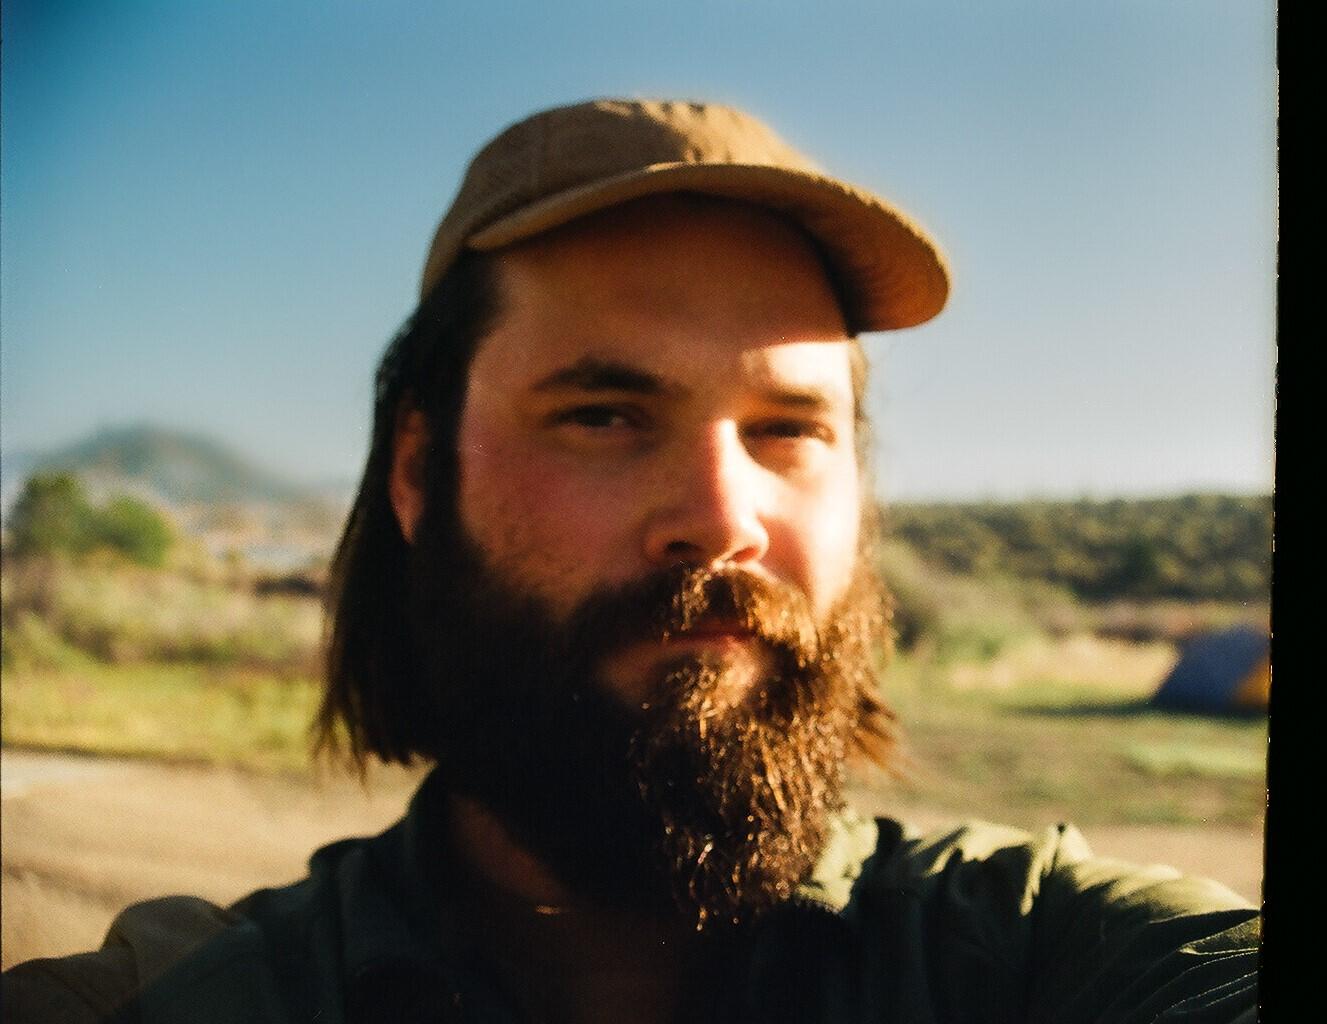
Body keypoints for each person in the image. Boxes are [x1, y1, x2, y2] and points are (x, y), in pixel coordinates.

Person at [3, 98, 1259, 1023]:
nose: (722, 519)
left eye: (790, 429)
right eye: (605, 413)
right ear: (415, 472)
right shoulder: (181, 1000)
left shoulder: (1041, 955)